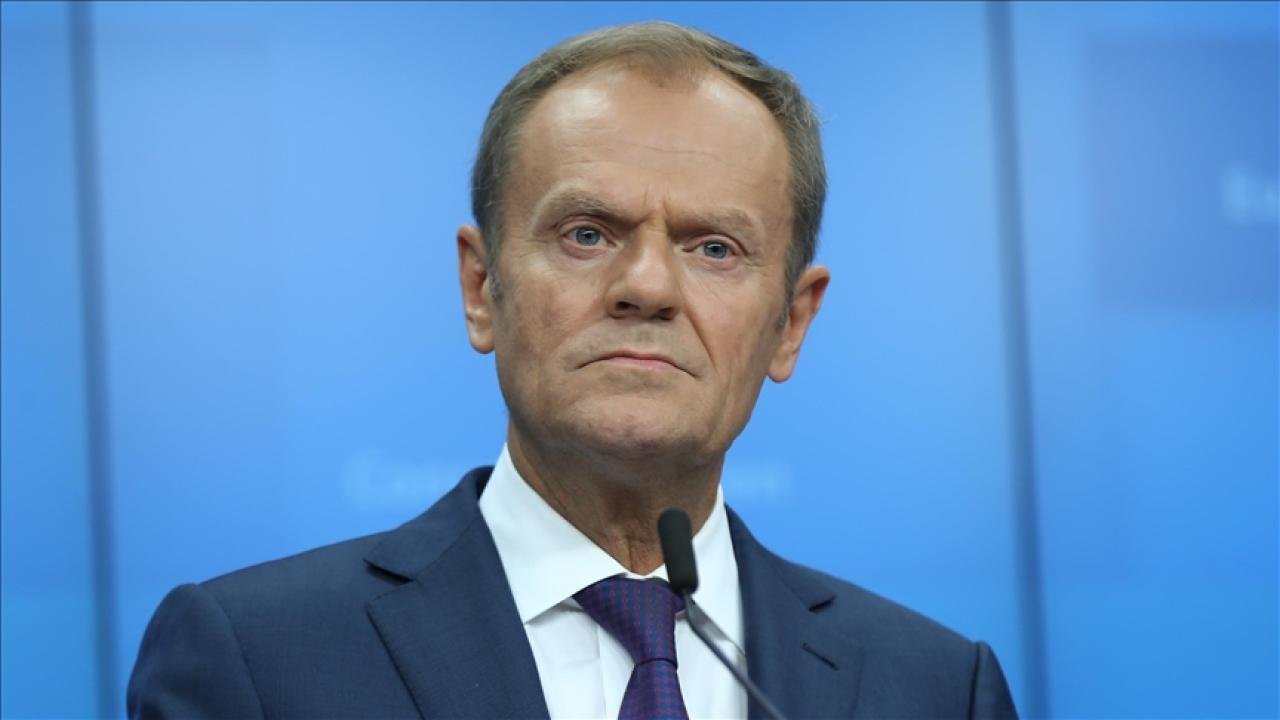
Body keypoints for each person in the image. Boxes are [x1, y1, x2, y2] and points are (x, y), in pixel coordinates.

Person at [128, 21, 1018, 720]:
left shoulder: (935, 688)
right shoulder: (256, 659)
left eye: (714, 247)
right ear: (481, 287)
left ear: (791, 323)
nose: (647, 288)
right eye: (587, 234)